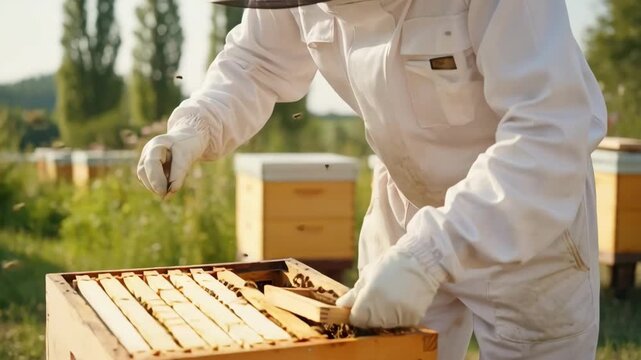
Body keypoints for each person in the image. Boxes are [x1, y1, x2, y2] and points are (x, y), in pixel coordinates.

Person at [137, 1, 606, 358]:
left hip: (522, 215)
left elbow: (550, 129)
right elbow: (256, 61)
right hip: (404, 210)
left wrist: (432, 253)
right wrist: (195, 127)